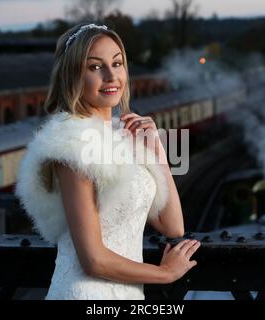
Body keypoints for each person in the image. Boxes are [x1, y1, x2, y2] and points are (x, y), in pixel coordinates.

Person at [15, 23, 200, 300]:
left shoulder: (124, 134)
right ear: (73, 75)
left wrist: (157, 149)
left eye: (117, 63)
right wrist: (166, 274)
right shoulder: (72, 143)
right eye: (95, 67)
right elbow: (93, 260)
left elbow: (172, 226)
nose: (111, 76)